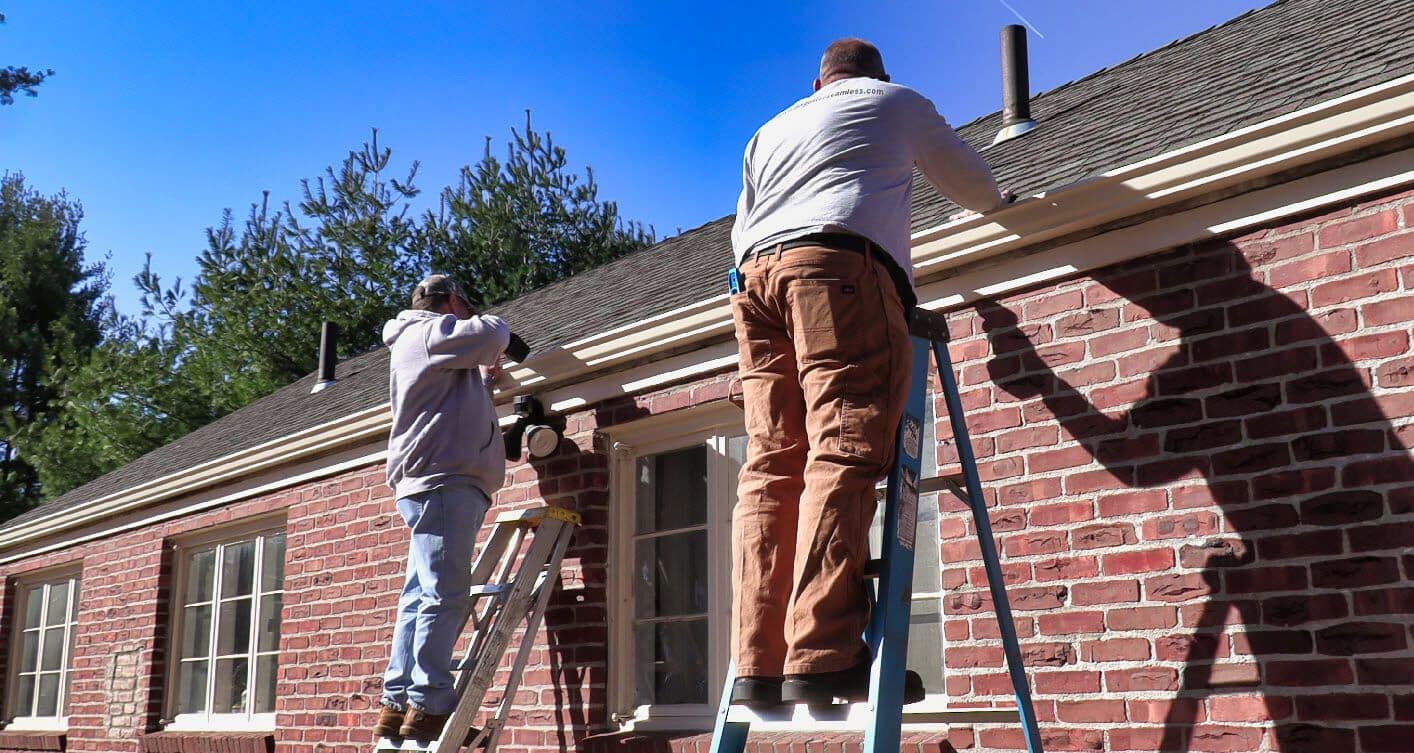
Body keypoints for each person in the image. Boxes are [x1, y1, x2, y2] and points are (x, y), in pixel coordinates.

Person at [728, 38, 1008, 707]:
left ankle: (758, 662)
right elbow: (970, 180)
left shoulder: (768, 131)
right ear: (880, 75)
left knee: (771, 462)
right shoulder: (893, 101)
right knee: (846, 443)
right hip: (835, 270)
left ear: (817, 83)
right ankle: (823, 651)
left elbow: (742, 230)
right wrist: (1001, 206)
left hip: (753, 283)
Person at [373, 274, 511, 741]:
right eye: (464, 310)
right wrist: (490, 329)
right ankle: (430, 704)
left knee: (419, 596)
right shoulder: (429, 332)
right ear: (452, 302)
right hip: (444, 483)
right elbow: (493, 333)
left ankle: (396, 703)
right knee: (444, 595)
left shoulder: (421, 345)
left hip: (431, 482)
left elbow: (452, 408)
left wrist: (484, 382)